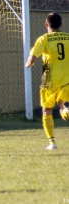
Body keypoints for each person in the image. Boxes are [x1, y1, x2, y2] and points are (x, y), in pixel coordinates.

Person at [26, 12, 69, 150]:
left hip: (49, 81)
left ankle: (52, 143)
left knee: (47, 110)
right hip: (66, 80)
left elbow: (32, 59)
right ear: (61, 25)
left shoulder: (43, 39)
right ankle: (67, 110)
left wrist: (28, 64)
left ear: (46, 24)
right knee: (63, 107)